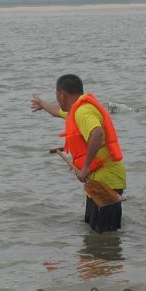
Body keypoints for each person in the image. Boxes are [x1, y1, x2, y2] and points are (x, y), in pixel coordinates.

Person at [31, 74, 126, 233]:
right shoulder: (76, 110)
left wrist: (86, 167)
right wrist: (42, 104)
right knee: (94, 232)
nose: (57, 100)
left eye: (57, 96)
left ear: (62, 94)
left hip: (106, 181)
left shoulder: (83, 111)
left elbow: (97, 133)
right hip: (98, 181)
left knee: (104, 236)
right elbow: (56, 111)